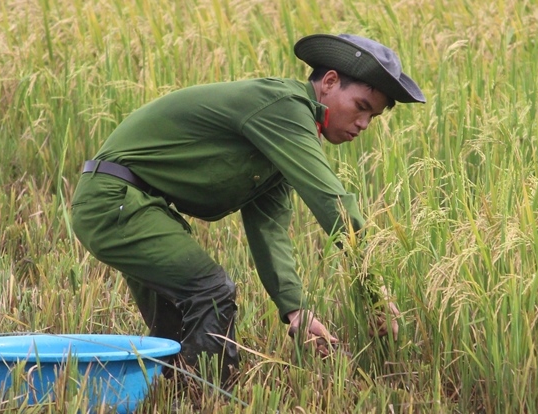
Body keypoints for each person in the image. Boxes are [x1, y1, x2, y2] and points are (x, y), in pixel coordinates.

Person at [70, 33, 425, 387]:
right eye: (361, 106)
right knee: (210, 293)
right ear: (330, 82)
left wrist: (296, 310)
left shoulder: (281, 138)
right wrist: (376, 295)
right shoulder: (284, 107)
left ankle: (172, 396)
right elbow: (332, 202)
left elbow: (268, 230)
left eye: (373, 117)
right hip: (114, 200)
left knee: (176, 334)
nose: (364, 124)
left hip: (143, 210)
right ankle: (208, 400)